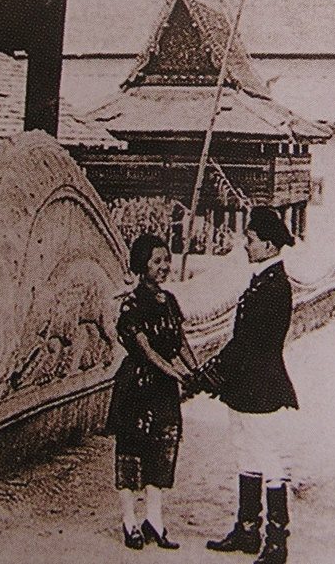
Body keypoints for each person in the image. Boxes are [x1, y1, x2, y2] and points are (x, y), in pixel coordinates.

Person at [204, 206, 297, 564]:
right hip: (248, 383)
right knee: (246, 452)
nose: (246, 245)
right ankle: (247, 530)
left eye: (251, 239)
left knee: (269, 457)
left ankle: (276, 542)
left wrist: (211, 372)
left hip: (263, 384)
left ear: (269, 246)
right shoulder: (262, 281)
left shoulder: (274, 287)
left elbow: (248, 343)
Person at [105, 233, 198, 550]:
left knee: (162, 450)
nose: (164, 266)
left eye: (167, 260)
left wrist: (196, 370)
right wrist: (178, 375)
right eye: (157, 261)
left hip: (163, 389)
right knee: (131, 452)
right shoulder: (132, 304)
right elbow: (146, 351)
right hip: (138, 385)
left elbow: (180, 341)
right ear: (141, 264)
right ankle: (129, 522)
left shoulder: (169, 300)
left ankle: (154, 522)